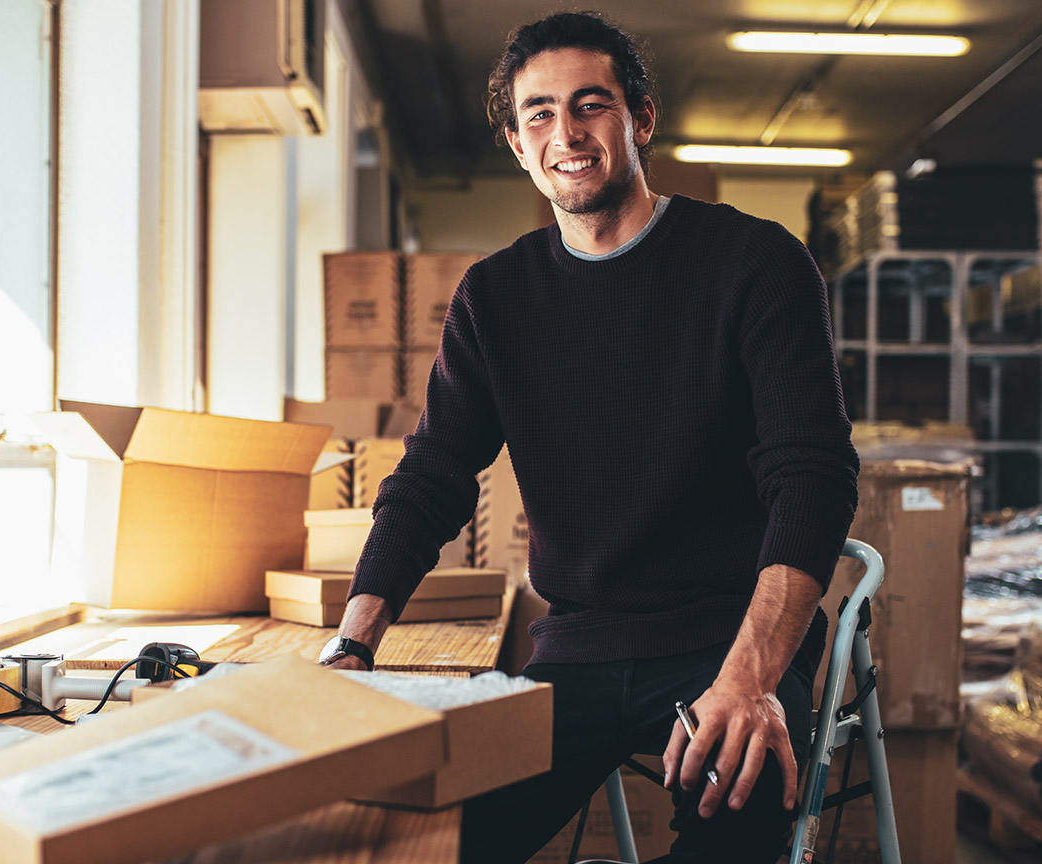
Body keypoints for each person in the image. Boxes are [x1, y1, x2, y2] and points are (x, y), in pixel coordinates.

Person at [315, 11, 859, 864]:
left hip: (727, 640)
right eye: (539, 114)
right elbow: (434, 475)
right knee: (426, 838)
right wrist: (353, 644)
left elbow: (814, 476)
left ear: (641, 119)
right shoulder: (495, 299)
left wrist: (751, 680)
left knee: (740, 818)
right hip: (577, 652)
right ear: (516, 142)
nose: (565, 133)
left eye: (590, 105)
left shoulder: (755, 264)